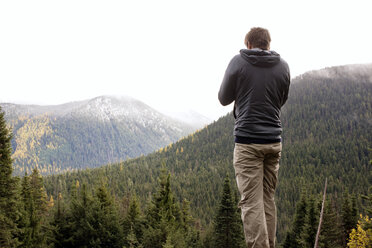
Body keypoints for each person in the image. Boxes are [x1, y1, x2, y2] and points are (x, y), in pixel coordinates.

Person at [218, 27, 290, 248]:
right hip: (273, 142)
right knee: (267, 198)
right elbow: (281, 99)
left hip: (248, 141)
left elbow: (223, 98)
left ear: (247, 43)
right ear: (268, 43)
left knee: (251, 202)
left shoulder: (238, 62)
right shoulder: (283, 66)